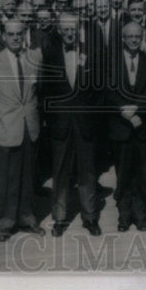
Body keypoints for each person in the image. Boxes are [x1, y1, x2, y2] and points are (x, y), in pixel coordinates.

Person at [0, 20, 43, 241]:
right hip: (6, 128)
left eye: (19, 33)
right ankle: (6, 223)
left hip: (29, 126)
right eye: (11, 34)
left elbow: (38, 92)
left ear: (24, 34)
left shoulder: (34, 58)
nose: (15, 37)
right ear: (3, 36)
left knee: (28, 176)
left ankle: (27, 218)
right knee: (7, 179)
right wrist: (0, 120)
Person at [39, 14, 101, 236]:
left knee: (88, 172)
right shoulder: (51, 54)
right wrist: (51, 118)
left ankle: (90, 216)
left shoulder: (90, 52)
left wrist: (92, 117)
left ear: (78, 30)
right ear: (59, 30)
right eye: (65, 30)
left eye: (72, 29)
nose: (69, 33)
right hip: (60, 123)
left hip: (85, 123)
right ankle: (60, 218)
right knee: (60, 172)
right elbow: (45, 91)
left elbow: (98, 90)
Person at [106, 22, 146, 232]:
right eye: (130, 37)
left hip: (143, 126)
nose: (134, 40)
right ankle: (124, 214)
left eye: (138, 36)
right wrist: (123, 110)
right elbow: (108, 89)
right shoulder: (112, 61)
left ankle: (140, 214)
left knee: (142, 172)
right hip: (120, 126)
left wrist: (138, 110)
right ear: (123, 39)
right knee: (123, 173)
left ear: (143, 38)